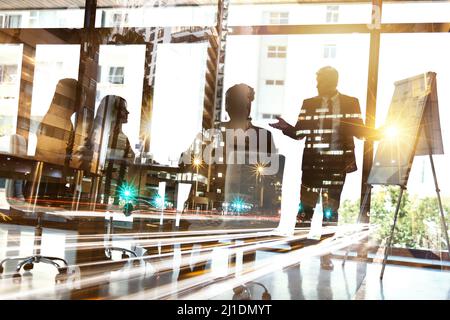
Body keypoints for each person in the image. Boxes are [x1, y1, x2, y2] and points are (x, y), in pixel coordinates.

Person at [270, 66, 380, 270]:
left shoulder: (350, 102)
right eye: (317, 82)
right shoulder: (309, 103)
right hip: (312, 165)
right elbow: (299, 133)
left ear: (332, 82)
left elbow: (359, 130)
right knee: (305, 210)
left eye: (321, 82)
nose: (318, 85)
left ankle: (325, 255)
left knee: (332, 213)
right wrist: (287, 128)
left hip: (337, 167)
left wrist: (380, 133)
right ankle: (296, 254)